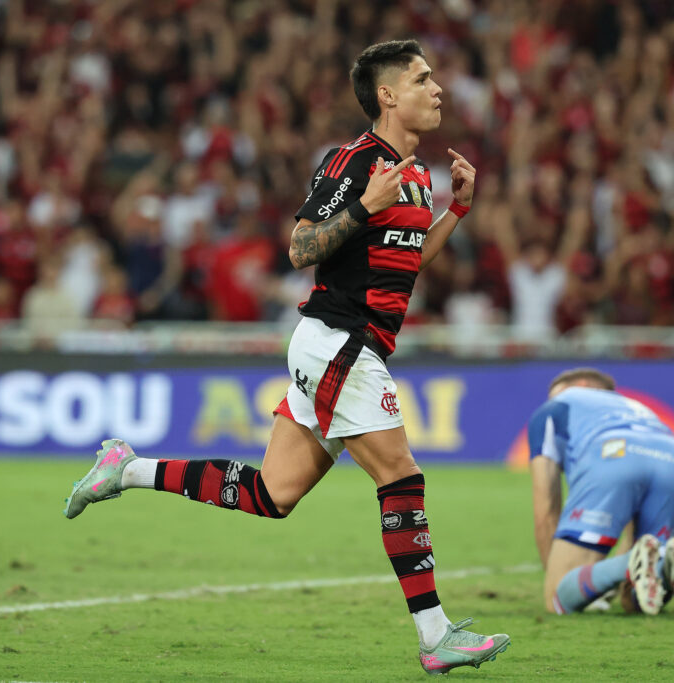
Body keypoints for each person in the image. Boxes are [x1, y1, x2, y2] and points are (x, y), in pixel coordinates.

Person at [63, 39, 509, 676]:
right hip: (339, 341)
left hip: (345, 344)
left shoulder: (415, 175)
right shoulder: (355, 162)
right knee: (402, 477)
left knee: (274, 493)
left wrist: (456, 211)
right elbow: (302, 247)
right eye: (422, 78)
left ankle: (126, 469)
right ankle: (435, 636)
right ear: (388, 96)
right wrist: (362, 207)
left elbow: (408, 265)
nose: (437, 89)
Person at [528, 367, 674, 617]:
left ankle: (630, 564)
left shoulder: (558, 405)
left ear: (579, 383)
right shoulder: (635, 407)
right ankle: (664, 562)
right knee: (636, 601)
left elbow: (546, 507)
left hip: (613, 451)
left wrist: (560, 581)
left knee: (558, 597)